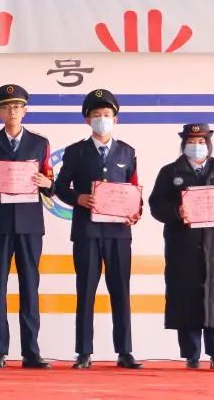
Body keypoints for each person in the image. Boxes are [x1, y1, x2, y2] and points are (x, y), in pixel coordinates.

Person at [54, 89, 143, 369]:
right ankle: (84, 352)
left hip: (119, 233)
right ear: (87, 120)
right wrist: (78, 198)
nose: (102, 119)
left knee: (121, 291)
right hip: (87, 232)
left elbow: (134, 190)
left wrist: (136, 212)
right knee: (86, 291)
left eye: (106, 114)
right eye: (96, 115)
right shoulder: (75, 152)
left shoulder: (127, 152)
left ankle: (125, 351)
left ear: (115, 119)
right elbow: (60, 187)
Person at [149, 123, 214, 370]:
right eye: (191, 142)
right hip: (183, 245)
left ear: (209, 144)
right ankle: (191, 356)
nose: (196, 146)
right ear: (184, 144)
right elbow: (156, 205)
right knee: (186, 295)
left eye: (201, 142)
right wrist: (177, 211)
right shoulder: (170, 172)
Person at [0, 84, 54, 369]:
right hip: (0, 223)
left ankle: (31, 351)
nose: (13, 112)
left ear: (25, 111)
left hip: (30, 224)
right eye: (7, 108)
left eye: (17, 107)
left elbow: (50, 183)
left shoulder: (40, 143)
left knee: (30, 287)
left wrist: (47, 183)